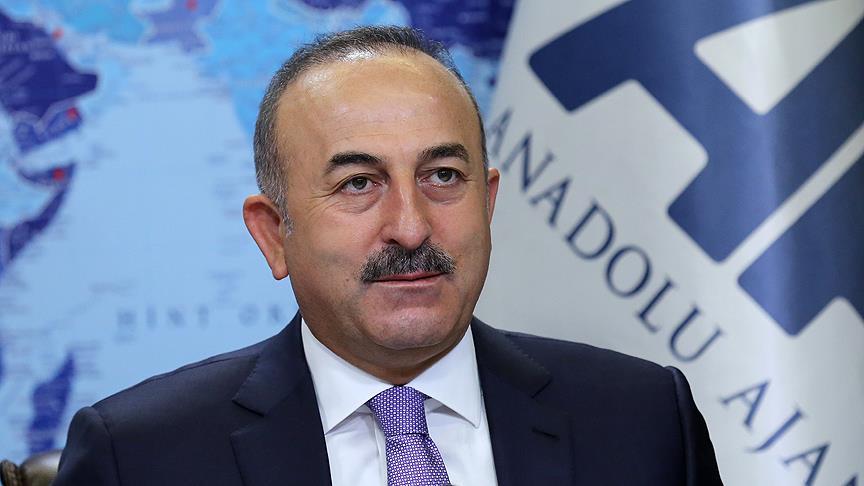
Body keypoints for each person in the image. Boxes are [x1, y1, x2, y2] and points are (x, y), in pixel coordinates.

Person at [54, 26, 723, 485]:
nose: (410, 227)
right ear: (273, 233)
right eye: (358, 184)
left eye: (443, 176)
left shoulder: (642, 421)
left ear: (488, 203)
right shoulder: (139, 457)